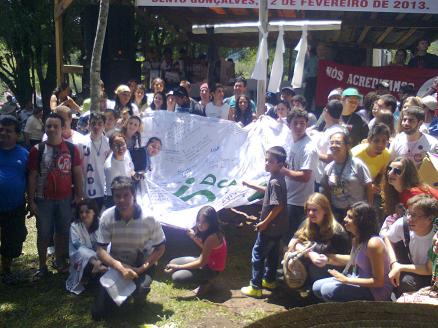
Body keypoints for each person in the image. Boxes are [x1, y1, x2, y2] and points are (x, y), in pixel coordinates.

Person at [92, 176, 166, 320]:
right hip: (116, 265)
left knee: (140, 291)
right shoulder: (107, 217)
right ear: (112, 197)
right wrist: (120, 267)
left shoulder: (149, 218)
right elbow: (100, 250)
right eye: (117, 196)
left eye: (126, 195)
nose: (122, 200)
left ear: (134, 195)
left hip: (140, 264)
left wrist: (141, 269)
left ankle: (139, 298)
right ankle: (119, 297)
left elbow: (160, 248)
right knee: (98, 314)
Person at [27, 113, 83, 278]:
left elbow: (78, 172)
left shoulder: (72, 149)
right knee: (43, 233)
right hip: (43, 200)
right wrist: (31, 201)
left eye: (55, 126)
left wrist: (79, 194)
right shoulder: (37, 150)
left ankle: (60, 262)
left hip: (65, 199)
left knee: (63, 232)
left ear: (63, 128)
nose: (52, 129)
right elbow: (32, 176)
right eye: (49, 126)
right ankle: (42, 265)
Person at [313, 202, 392, 302]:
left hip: (375, 291)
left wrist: (347, 280)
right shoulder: (356, 239)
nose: (345, 219)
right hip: (358, 280)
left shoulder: (374, 244)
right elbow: (353, 260)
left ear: (361, 221)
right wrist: (327, 258)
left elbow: (379, 281)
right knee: (317, 287)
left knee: (327, 290)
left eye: (350, 217)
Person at [241, 146, 288, 298]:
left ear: (280, 164)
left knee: (258, 254)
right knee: (273, 254)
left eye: (271, 161)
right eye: (266, 160)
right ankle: (269, 280)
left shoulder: (275, 181)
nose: (266, 163)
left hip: (270, 227)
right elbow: (267, 191)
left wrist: (265, 223)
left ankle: (255, 286)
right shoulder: (277, 178)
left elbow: (278, 206)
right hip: (279, 227)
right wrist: (250, 185)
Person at [287, 193, 349, 286]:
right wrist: (310, 254)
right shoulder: (307, 223)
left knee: (315, 266)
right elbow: (292, 243)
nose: (311, 213)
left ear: (325, 211)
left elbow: (346, 261)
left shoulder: (336, 232)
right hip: (312, 262)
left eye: (314, 210)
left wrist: (325, 259)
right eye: (308, 210)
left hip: (331, 268)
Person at [383, 195, 438, 297]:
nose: (409, 218)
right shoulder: (403, 225)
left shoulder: (436, 235)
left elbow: (428, 269)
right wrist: (394, 263)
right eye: (408, 213)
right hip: (415, 269)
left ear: (430, 218)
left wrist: (400, 267)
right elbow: (387, 238)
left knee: (407, 283)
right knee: (401, 281)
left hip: (433, 274)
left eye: (414, 215)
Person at [165, 206, 227, 296]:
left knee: (177, 276)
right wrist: (193, 237)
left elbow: (201, 262)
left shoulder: (212, 237)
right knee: (173, 262)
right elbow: (205, 247)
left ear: (211, 222)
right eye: (198, 221)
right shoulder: (213, 231)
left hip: (212, 268)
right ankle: (203, 278)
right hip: (206, 261)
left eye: (204, 222)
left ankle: (207, 282)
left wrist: (178, 267)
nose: (200, 225)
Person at [0, 115, 29, 284]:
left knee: (13, 240)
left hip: (15, 207)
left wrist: (31, 201)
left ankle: (6, 270)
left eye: (8, 130)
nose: (3, 133)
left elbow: (31, 179)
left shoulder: (24, 154)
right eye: (1, 129)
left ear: (17, 135)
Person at [281, 108, 318, 239]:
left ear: (306, 124)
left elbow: (305, 176)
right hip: (289, 197)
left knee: (294, 237)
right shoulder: (293, 141)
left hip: (299, 202)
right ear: (289, 125)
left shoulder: (308, 148)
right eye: (295, 123)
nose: (299, 126)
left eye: (302, 123)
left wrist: (283, 170)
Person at [320, 132, 373, 221]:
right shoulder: (328, 168)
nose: (333, 145)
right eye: (331, 143)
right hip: (337, 213)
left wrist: (369, 210)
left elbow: (368, 187)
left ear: (347, 146)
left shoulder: (357, 165)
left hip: (357, 213)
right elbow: (326, 190)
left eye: (337, 143)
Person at [66, 199, 107, 294]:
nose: (84, 215)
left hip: (101, 258)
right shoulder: (74, 226)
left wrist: (100, 260)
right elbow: (77, 246)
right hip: (83, 260)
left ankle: (97, 274)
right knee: (82, 251)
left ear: (94, 212)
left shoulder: (101, 224)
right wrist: (95, 262)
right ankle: (94, 271)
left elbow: (105, 245)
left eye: (87, 212)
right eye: (81, 212)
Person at [396, 230, 438, 304]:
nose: (437, 242)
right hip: (435, 290)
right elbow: (428, 269)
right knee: (401, 300)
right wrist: (400, 267)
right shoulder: (435, 250)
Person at [311, 100, 345, 190]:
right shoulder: (330, 129)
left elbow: (331, 158)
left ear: (325, 111)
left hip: (325, 182)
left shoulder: (336, 133)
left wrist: (312, 152)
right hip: (318, 178)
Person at [82, 112, 111, 213]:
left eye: (100, 123)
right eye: (93, 123)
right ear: (89, 125)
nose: (96, 126)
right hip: (87, 189)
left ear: (104, 125)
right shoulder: (81, 142)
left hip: (104, 189)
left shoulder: (109, 143)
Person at [352, 123, 391, 195]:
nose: (380, 144)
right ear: (369, 140)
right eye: (376, 140)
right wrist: (368, 186)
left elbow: (380, 174)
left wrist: (376, 185)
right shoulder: (356, 155)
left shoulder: (386, 155)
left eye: (384, 141)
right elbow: (348, 179)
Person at [103, 133, 134, 209]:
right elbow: (114, 194)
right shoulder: (109, 168)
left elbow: (131, 170)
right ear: (111, 147)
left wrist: (136, 174)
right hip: (115, 199)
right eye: (116, 145)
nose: (121, 148)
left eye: (123, 144)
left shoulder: (127, 153)